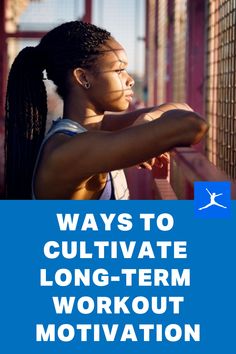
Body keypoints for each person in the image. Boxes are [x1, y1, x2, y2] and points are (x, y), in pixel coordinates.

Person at [4, 21, 208, 200]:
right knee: (216, 218)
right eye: (119, 70)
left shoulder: (94, 128)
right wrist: (148, 125)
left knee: (214, 221)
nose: (130, 80)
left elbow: (184, 109)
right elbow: (193, 125)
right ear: (83, 78)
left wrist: (147, 118)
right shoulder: (69, 150)